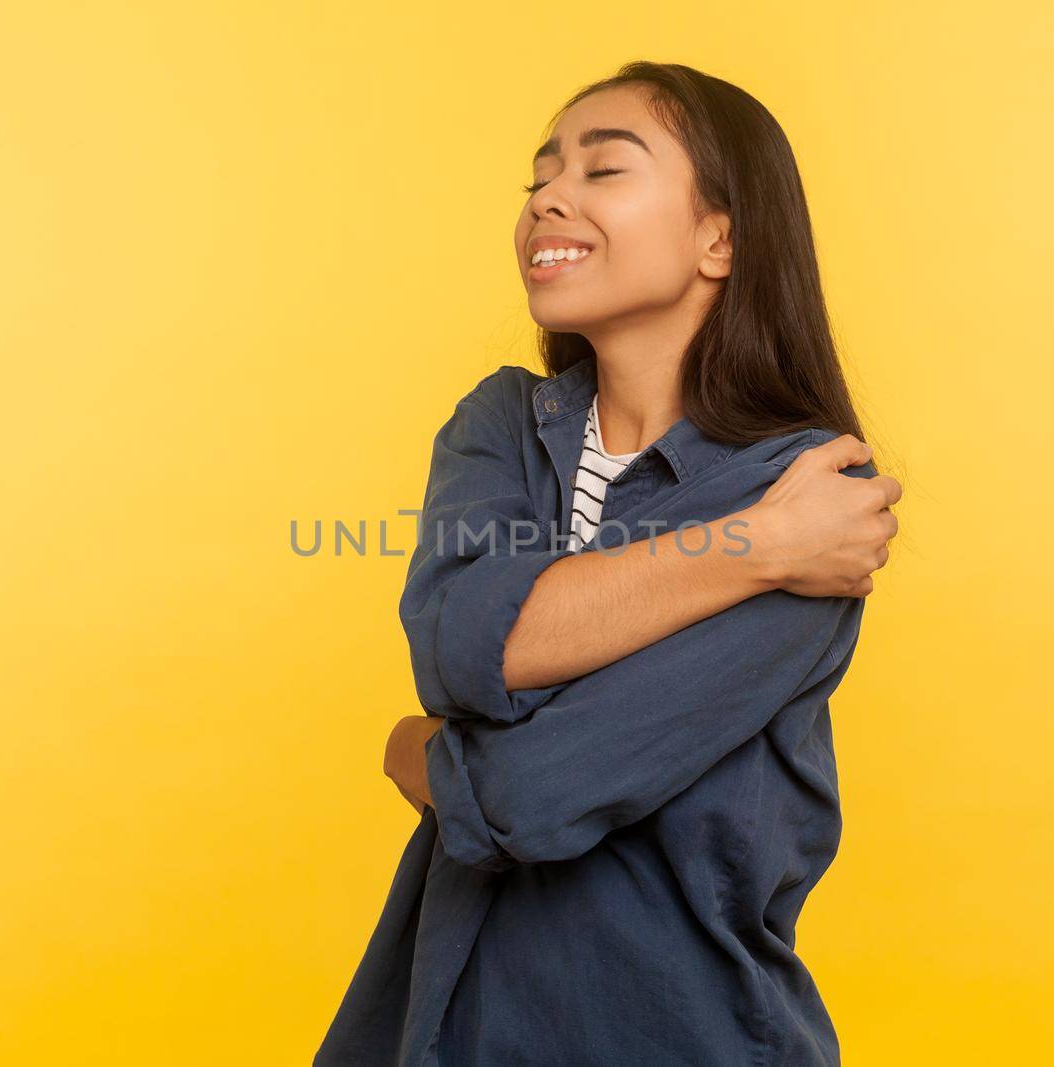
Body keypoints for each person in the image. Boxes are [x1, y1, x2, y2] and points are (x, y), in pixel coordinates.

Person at [316, 60, 902, 1066]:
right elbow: (461, 651)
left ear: (719, 236)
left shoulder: (815, 491)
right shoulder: (503, 426)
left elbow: (530, 797)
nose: (550, 196)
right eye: (541, 175)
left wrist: (420, 752)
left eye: (604, 169)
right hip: (439, 1029)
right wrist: (756, 548)